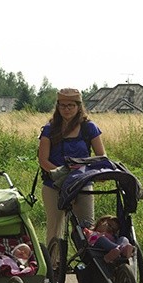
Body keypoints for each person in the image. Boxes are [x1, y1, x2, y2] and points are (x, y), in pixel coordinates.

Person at [38, 88, 106, 245]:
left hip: (83, 183)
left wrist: (91, 173)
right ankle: (53, 265)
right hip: (54, 184)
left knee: (86, 227)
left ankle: (89, 264)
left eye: (70, 106)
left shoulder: (89, 128)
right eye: (62, 106)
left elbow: (101, 157)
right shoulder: (49, 129)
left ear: (78, 106)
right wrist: (63, 175)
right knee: (55, 228)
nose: (66, 109)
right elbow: (43, 160)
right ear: (57, 106)